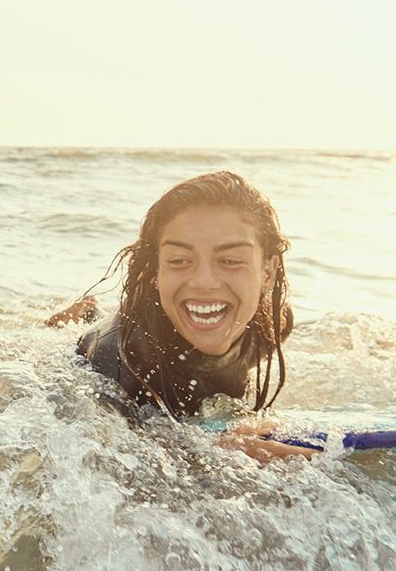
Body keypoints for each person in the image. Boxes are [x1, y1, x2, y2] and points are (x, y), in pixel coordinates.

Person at [63, 171, 307, 463]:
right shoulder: (119, 362)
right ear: (157, 272)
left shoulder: (271, 324)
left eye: (230, 261)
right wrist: (217, 452)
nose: (204, 282)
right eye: (179, 261)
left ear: (267, 272)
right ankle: (81, 313)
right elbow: (117, 456)